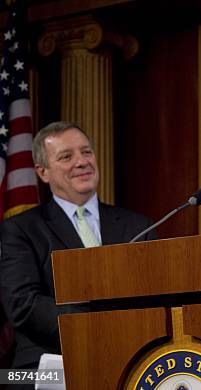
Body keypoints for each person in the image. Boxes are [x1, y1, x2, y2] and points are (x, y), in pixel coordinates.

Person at [0, 121, 156, 374]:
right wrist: (99, 328)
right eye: (66, 156)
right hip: (49, 365)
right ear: (43, 172)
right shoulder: (21, 229)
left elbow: (156, 295)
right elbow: (23, 304)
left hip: (131, 361)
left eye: (86, 152)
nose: (82, 162)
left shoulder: (138, 225)